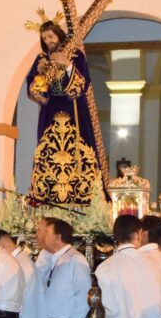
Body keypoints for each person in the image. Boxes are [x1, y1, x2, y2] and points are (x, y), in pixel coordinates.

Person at [26, 19, 103, 204]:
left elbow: (82, 85)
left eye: (51, 36)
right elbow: (36, 91)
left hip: (74, 109)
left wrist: (68, 65)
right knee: (48, 152)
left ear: (59, 36)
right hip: (51, 112)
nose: (48, 41)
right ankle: (47, 195)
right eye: (44, 38)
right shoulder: (41, 59)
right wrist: (39, 77)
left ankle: (82, 196)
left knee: (79, 149)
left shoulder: (76, 56)